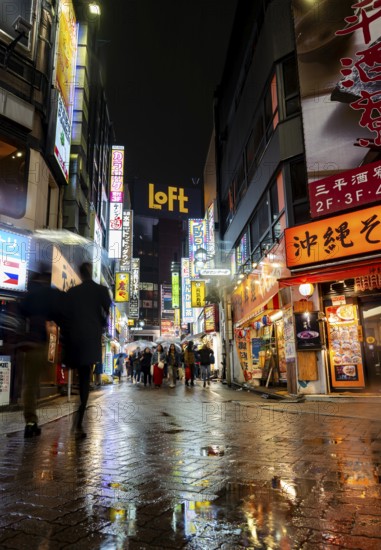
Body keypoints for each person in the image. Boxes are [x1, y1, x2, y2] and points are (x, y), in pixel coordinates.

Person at [64, 262, 111, 438]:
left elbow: (65, 314)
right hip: (90, 340)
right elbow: (107, 310)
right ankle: (78, 423)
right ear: (92, 273)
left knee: (78, 375)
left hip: (74, 340)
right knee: (85, 379)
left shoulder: (72, 292)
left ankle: (77, 420)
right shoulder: (101, 290)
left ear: (80, 274)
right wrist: (101, 321)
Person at [18, 271, 64, 438]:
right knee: (36, 380)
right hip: (41, 344)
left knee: (30, 384)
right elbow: (59, 313)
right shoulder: (49, 294)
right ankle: (32, 420)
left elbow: (21, 311)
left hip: (28, 345)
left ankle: (30, 422)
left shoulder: (29, 294)